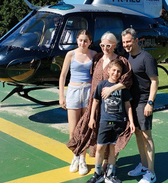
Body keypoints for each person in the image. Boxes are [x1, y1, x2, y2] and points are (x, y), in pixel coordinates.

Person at [67, 32, 133, 162]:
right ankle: (80, 158)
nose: (105, 48)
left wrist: (112, 89)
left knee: (112, 136)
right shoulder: (97, 58)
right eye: (102, 45)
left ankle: (108, 164)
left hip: (112, 107)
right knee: (88, 131)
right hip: (96, 104)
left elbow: (127, 80)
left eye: (108, 45)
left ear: (114, 45)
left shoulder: (120, 61)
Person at [86, 59, 135, 183]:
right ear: (108, 71)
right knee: (100, 148)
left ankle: (110, 174)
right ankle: (98, 173)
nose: (116, 73)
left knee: (114, 148)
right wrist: (92, 118)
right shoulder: (102, 85)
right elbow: (95, 101)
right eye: (113, 70)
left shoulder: (123, 88)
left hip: (119, 122)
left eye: (119, 71)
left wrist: (132, 122)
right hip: (105, 122)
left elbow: (128, 105)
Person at [122, 28, 159, 183]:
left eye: (129, 41)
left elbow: (154, 81)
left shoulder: (147, 58)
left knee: (146, 136)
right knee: (137, 133)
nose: (126, 45)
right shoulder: (128, 58)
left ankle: (151, 172)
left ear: (136, 40)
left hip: (144, 101)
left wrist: (150, 102)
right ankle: (143, 166)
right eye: (124, 42)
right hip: (133, 100)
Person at [59, 29, 97, 175]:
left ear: (90, 42)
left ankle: (83, 159)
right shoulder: (71, 54)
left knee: (85, 128)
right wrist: (61, 96)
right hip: (73, 91)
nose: (83, 43)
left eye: (86, 40)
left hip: (87, 92)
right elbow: (63, 76)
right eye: (80, 40)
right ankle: (75, 156)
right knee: (73, 130)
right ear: (77, 40)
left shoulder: (93, 54)